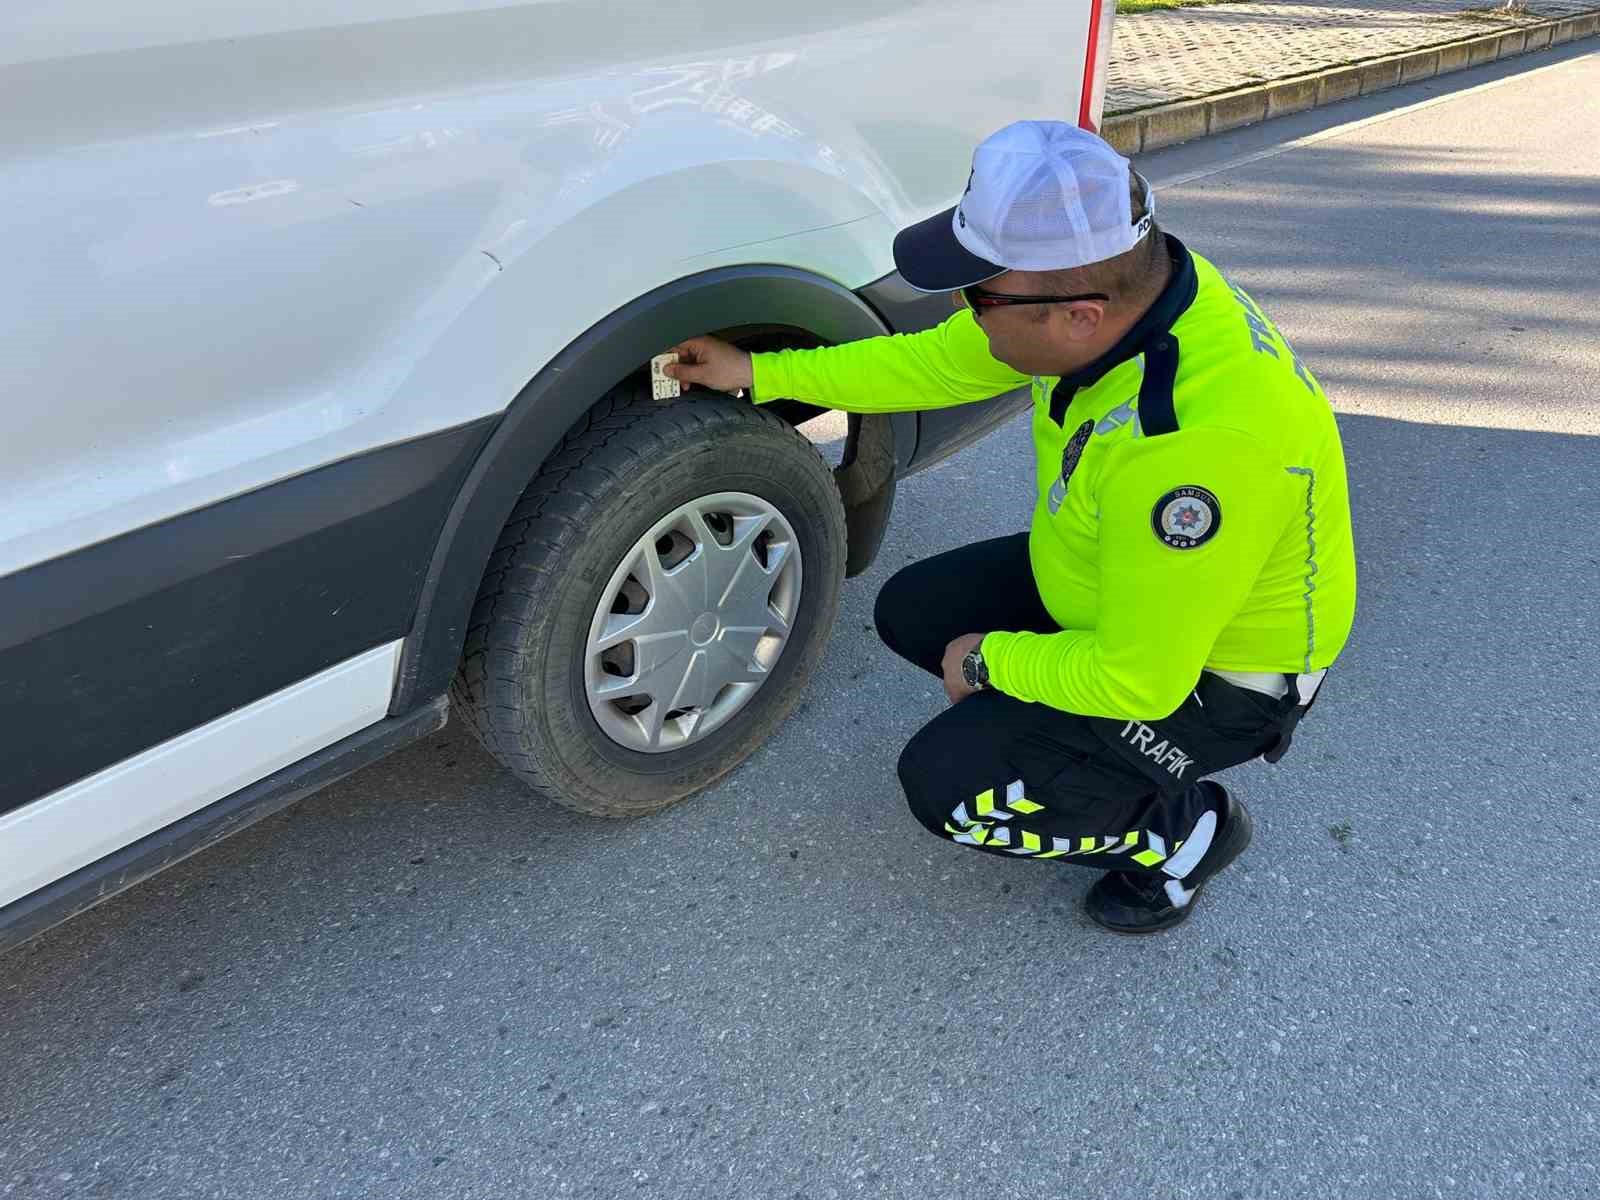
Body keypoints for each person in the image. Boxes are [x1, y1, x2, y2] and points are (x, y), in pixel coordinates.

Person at [665, 121, 1357, 934]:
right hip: (1119, 584)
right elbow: (935, 361)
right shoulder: (1147, 291)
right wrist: (760, 371)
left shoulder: (1193, 454)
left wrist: (992, 662)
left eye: (979, 295)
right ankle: (1063, 748)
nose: (963, 311)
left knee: (948, 791)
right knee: (916, 609)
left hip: (1214, 682)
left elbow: (1143, 681)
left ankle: (1180, 832)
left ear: (1078, 316)